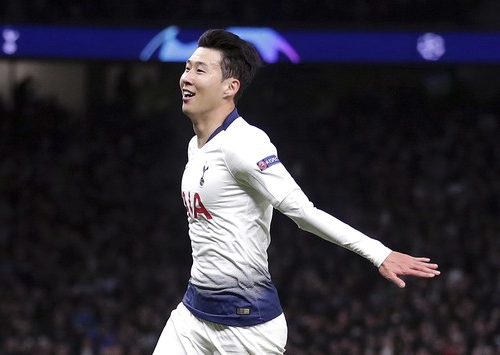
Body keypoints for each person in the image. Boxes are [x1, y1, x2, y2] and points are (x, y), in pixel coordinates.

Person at [152, 29, 440, 354]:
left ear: (230, 88)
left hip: (245, 327)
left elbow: (303, 212)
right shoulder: (196, 147)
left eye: (200, 70)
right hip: (193, 315)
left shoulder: (244, 144)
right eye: (187, 67)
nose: (186, 77)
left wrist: (379, 253)